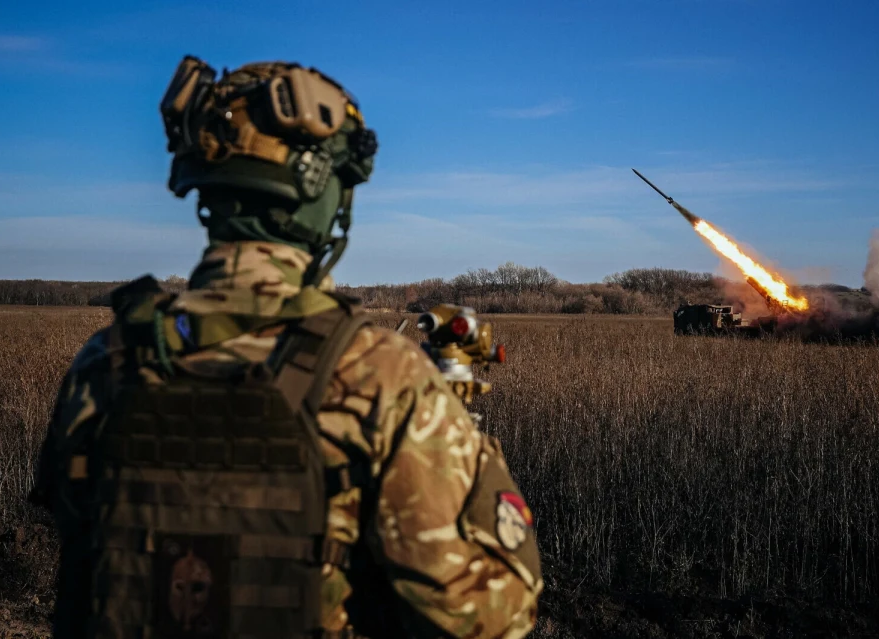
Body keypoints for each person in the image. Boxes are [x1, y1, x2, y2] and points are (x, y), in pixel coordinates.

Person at [29, 56, 542, 639]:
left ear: (206, 184)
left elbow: (82, 542)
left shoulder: (107, 359)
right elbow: (487, 617)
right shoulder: (380, 374)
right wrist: (473, 456)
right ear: (324, 193)